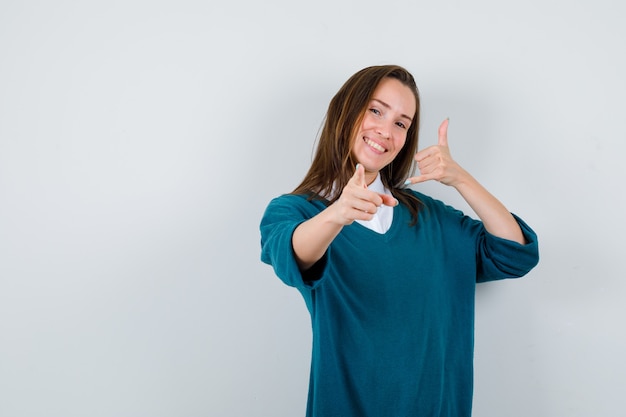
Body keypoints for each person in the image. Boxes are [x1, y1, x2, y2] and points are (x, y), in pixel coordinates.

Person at [259, 64, 539, 417]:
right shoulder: (297, 211)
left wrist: (462, 180)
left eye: (401, 123)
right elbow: (293, 255)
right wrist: (338, 213)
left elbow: (515, 254)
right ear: (344, 110)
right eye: (375, 110)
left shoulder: (429, 216)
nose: (386, 131)